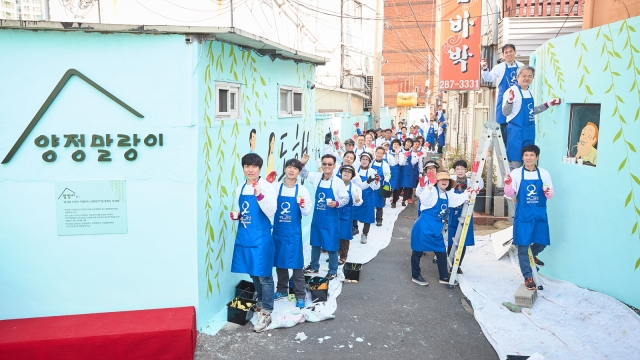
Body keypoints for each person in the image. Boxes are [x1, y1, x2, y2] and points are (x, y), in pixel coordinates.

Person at [229, 153, 278, 332]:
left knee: (264, 275)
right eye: (247, 166)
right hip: (245, 236)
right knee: (252, 272)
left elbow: (271, 211)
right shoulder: (240, 187)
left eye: (254, 166)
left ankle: (266, 310)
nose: (250, 170)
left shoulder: (266, 187)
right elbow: (240, 209)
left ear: (259, 168)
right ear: (243, 168)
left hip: (261, 237)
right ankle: (259, 301)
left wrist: (260, 196)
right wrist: (237, 216)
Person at [503, 145, 554, 290]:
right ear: (522, 157)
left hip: (539, 213)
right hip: (524, 214)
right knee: (523, 246)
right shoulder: (517, 174)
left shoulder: (544, 173)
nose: (529, 158)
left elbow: (550, 194)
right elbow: (510, 193)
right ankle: (528, 276)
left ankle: (533, 254)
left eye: (532, 155)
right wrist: (508, 185)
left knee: (542, 242)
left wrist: (548, 192)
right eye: (526, 155)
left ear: (537, 157)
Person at [411, 171, 475, 286]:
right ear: (437, 181)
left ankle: (444, 276)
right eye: (442, 179)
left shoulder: (447, 194)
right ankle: (415, 275)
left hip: (436, 229)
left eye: (447, 180)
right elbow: (424, 199)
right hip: (423, 227)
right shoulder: (432, 191)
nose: (444, 181)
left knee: (441, 252)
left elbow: (456, 199)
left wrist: (469, 194)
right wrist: (430, 185)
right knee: (417, 252)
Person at [300, 154, 350, 280]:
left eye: (329, 164)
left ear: (334, 166)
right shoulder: (317, 177)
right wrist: (302, 163)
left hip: (331, 219)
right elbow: (303, 174)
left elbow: (346, 198)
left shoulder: (338, 182)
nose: (327, 166)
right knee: (315, 243)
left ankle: (333, 270)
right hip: (318, 217)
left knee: (331, 245)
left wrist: (337, 203)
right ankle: (314, 266)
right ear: (321, 164)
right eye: (324, 164)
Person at [271, 159, 312, 309]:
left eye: (295, 168)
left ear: (299, 172)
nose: (291, 170)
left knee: (296, 265)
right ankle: (281, 290)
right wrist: (266, 183)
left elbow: (307, 212)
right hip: (279, 231)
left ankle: (300, 295)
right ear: (285, 169)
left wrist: (301, 205)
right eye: (289, 167)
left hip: (293, 233)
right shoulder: (275, 187)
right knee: (280, 261)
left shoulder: (302, 190)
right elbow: (266, 201)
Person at [502, 66, 561, 170]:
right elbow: (505, 112)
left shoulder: (530, 92)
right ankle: (512, 186)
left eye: (530, 76)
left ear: (532, 78)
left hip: (529, 132)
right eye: (524, 76)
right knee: (515, 165)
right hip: (516, 133)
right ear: (517, 77)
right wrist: (510, 101)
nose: (527, 78)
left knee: (529, 163)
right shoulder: (511, 92)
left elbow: (531, 111)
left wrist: (548, 104)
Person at [481, 44, 525, 143]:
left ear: (515, 52)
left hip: (518, 99)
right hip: (504, 101)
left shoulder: (521, 66)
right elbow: (488, 78)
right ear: (503, 55)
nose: (509, 54)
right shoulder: (499, 67)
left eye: (511, 51)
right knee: (503, 127)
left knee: (518, 124)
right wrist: (484, 68)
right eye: (506, 52)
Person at [447, 160, 484, 274]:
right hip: (453, 213)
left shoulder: (470, 181)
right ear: (455, 170)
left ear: (466, 170)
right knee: (451, 240)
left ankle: (457, 265)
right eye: (457, 169)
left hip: (466, 213)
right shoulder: (451, 180)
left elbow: (480, 185)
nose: (460, 171)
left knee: (463, 240)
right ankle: (449, 263)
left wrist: (476, 173)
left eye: (462, 169)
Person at [352, 152, 381, 244]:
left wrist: (376, 182)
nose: (364, 161)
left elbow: (376, 187)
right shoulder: (355, 170)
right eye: (363, 159)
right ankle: (353, 229)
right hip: (356, 194)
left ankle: (364, 234)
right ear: (360, 160)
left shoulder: (373, 171)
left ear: (369, 161)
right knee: (352, 213)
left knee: (367, 216)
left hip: (368, 196)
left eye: (366, 159)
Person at [337, 165, 363, 264]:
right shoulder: (335, 184)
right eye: (345, 171)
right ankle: (334, 253)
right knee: (334, 233)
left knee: (344, 235)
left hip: (346, 213)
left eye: (349, 172)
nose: (347, 173)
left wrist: (357, 199)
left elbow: (359, 203)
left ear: (352, 175)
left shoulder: (355, 188)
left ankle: (344, 255)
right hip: (335, 212)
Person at [371, 147, 391, 226]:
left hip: (380, 186)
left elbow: (388, 173)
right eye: (378, 153)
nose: (379, 154)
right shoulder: (371, 162)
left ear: (383, 154)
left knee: (379, 203)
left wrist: (387, 178)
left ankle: (379, 219)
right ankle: (370, 218)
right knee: (370, 203)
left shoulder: (385, 164)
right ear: (375, 153)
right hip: (370, 186)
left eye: (381, 153)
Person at [397, 138, 417, 206]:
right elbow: (400, 163)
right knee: (400, 185)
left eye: (410, 143)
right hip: (402, 170)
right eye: (408, 142)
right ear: (405, 142)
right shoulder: (400, 151)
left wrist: (417, 156)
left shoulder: (412, 152)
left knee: (407, 186)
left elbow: (413, 162)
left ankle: (404, 200)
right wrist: (405, 157)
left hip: (409, 170)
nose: (409, 144)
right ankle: (396, 198)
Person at [388, 139, 407, 208]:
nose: (395, 145)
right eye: (394, 144)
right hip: (388, 170)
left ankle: (394, 202)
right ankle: (383, 199)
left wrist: (397, 154)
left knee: (396, 186)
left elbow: (401, 163)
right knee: (386, 185)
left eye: (397, 144)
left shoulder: (401, 153)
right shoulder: (388, 152)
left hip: (396, 171)